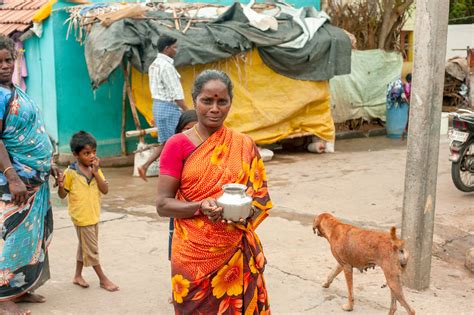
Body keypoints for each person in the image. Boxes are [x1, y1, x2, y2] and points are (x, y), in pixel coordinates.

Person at [156, 70, 272, 314]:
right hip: (193, 255)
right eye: (207, 101)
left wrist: (244, 210)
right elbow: (163, 204)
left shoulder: (243, 144)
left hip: (235, 249)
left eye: (222, 101)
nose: (215, 108)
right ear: (195, 100)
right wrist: (200, 206)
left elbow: (259, 196)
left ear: (230, 103)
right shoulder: (177, 145)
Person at [0, 35, 61, 314]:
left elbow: (34, 130)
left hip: (36, 178)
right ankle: (4, 296)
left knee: (33, 236)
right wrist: (12, 177)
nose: (3, 65)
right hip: (17, 181)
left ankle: (22, 288)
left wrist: (50, 164)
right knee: (15, 236)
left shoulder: (16, 91)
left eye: (8, 60)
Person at [57, 131, 119, 292]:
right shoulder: (70, 172)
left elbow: (105, 189)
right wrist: (61, 185)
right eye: (86, 153)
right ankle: (103, 279)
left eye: (93, 152)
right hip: (80, 216)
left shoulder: (95, 169)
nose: (91, 156)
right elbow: (63, 195)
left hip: (93, 214)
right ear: (75, 154)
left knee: (84, 246)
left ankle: (77, 276)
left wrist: (96, 172)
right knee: (92, 250)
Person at [138, 35, 189, 181]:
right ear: (166, 49)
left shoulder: (154, 64)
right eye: (174, 47)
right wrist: (188, 111)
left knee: (168, 141)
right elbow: (176, 93)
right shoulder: (166, 66)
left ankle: (149, 166)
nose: (176, 50)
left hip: (160, 106)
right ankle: (167, 171)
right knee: (174, 141)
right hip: (168, 108)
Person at [167, 109, 198, 261]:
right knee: (180, 253)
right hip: (181, 206)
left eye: (196, 128)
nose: (192, 133)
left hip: (206, 208)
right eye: (187, 129)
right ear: (179, 130)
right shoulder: (176, 148)